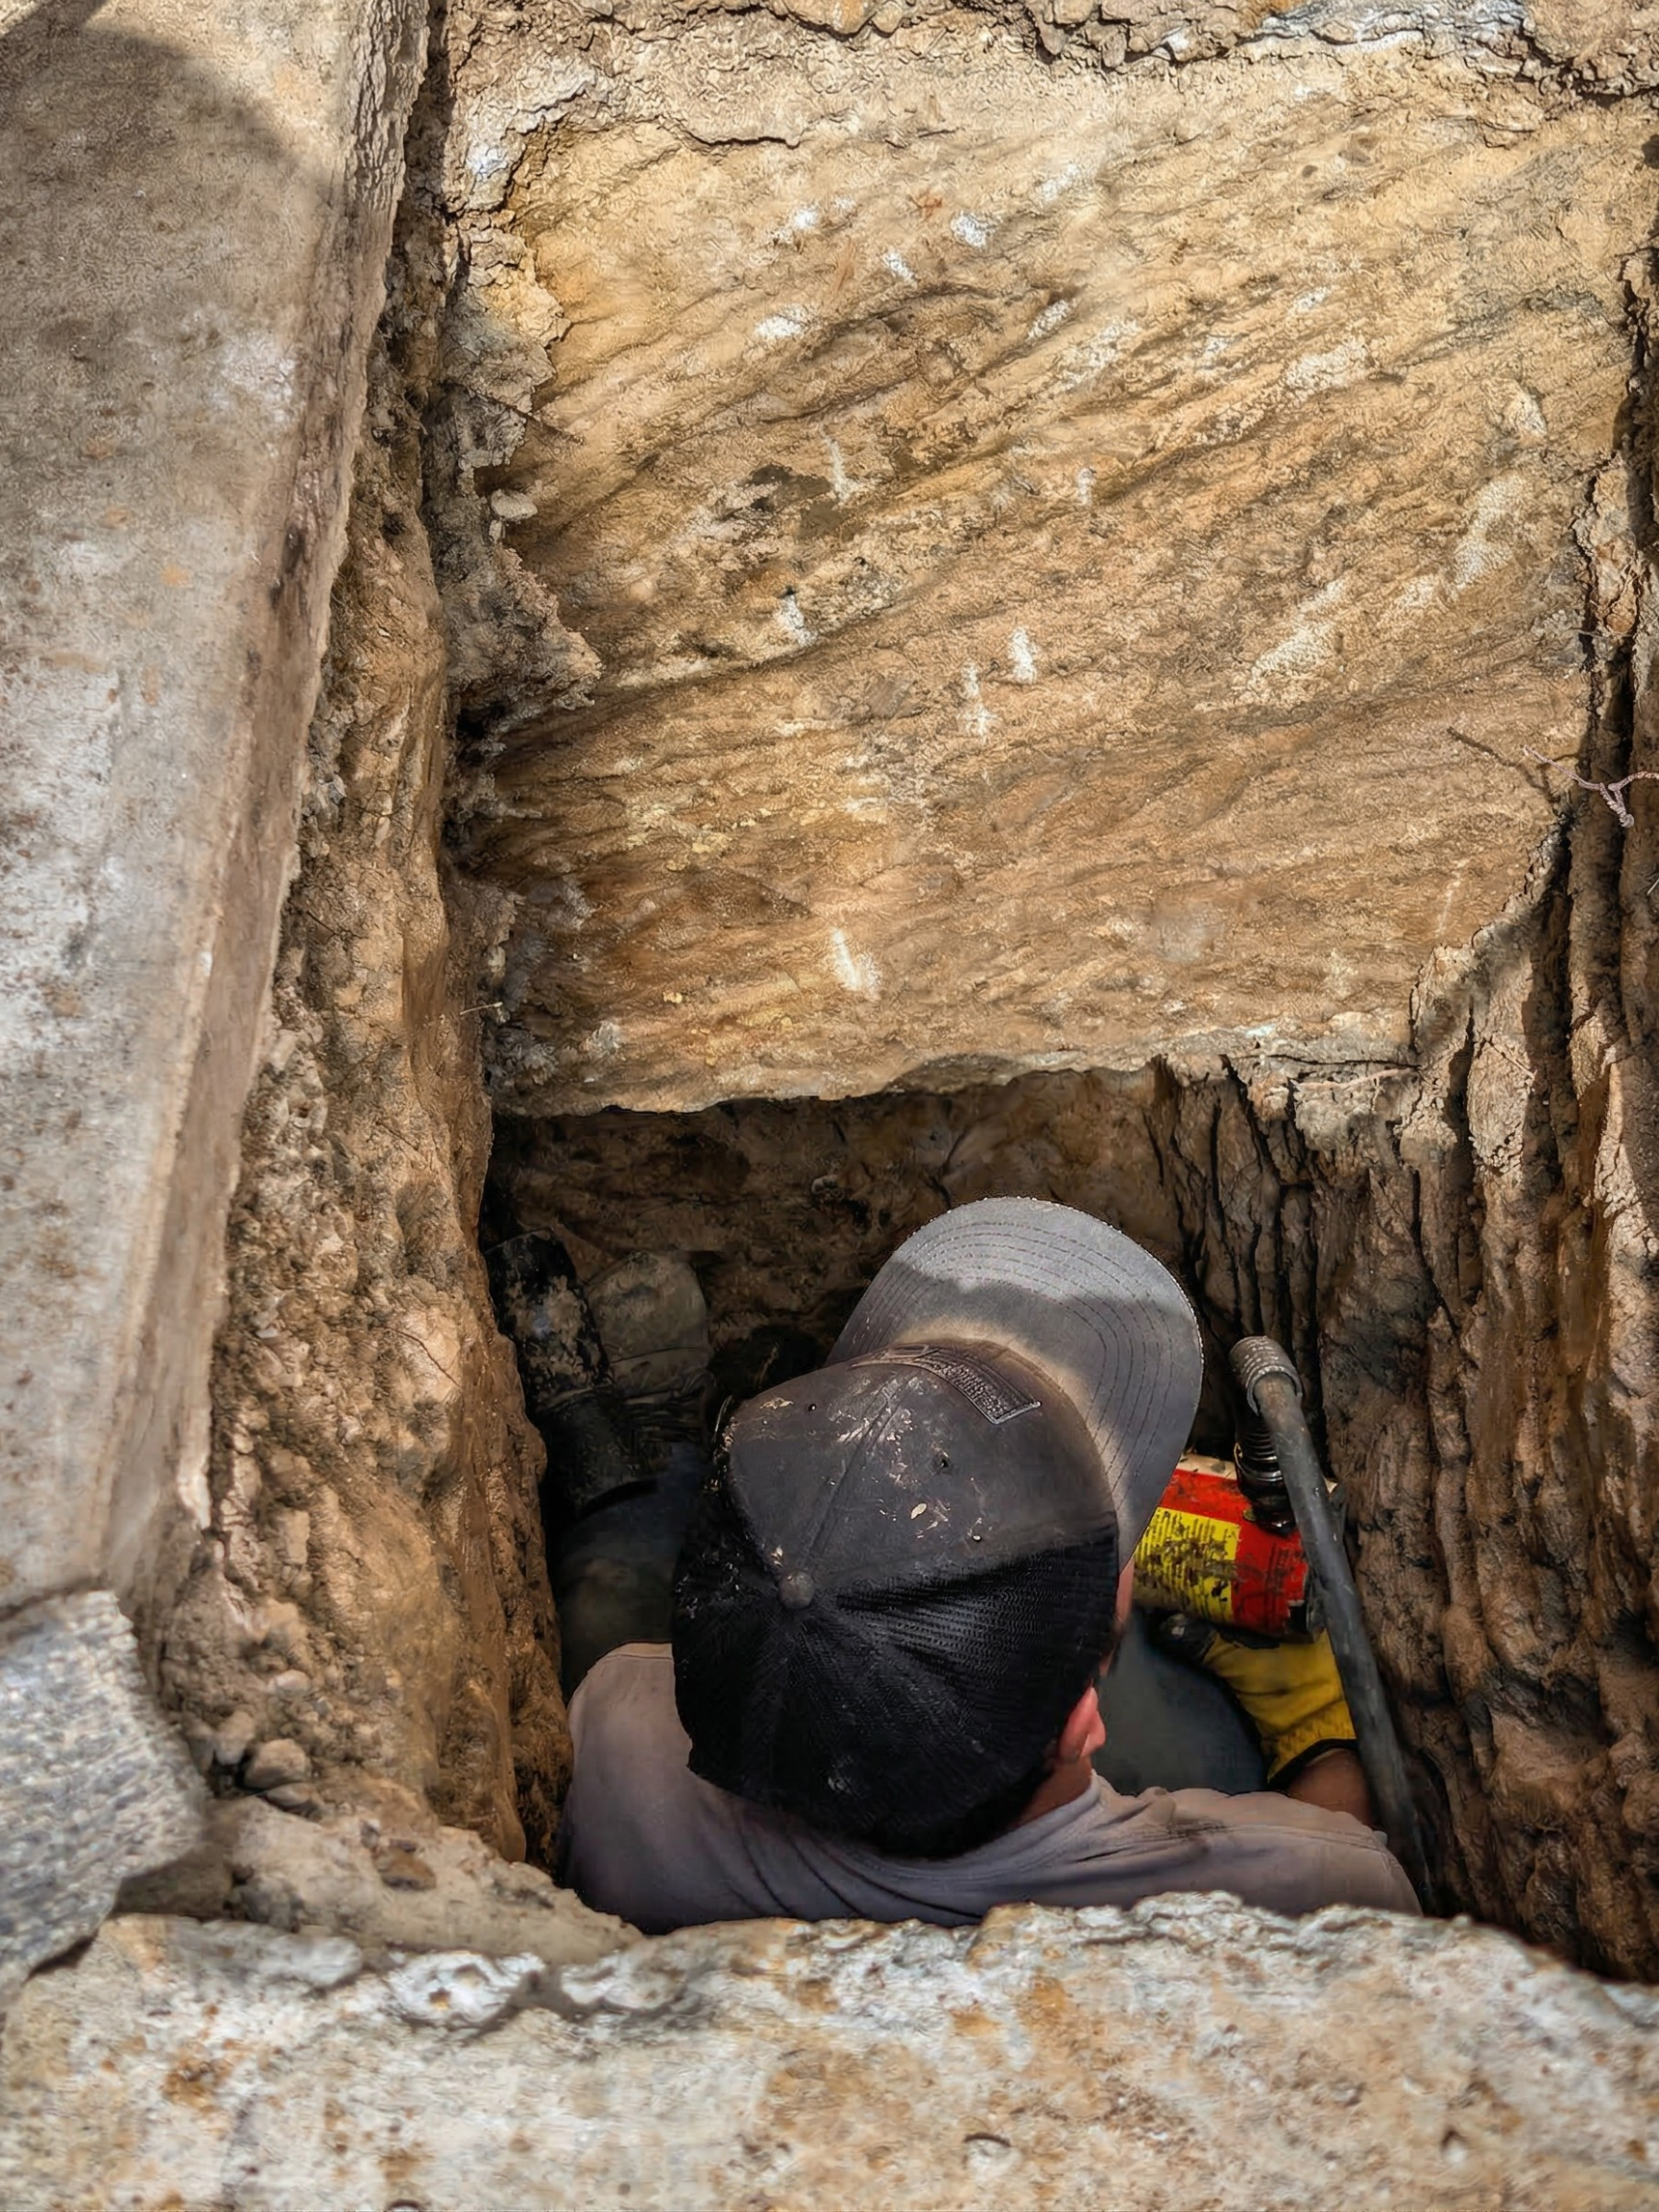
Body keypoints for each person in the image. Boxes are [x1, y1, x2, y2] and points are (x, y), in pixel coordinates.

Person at [510, 1199, 1418, 1935]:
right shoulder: (1308, 1895)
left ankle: (654, 1470)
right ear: (1081, 1727)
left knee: (602, 1596)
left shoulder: (611, 1750)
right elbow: (1338, 1850)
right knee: (1208, 1734)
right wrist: (1320, 1733)